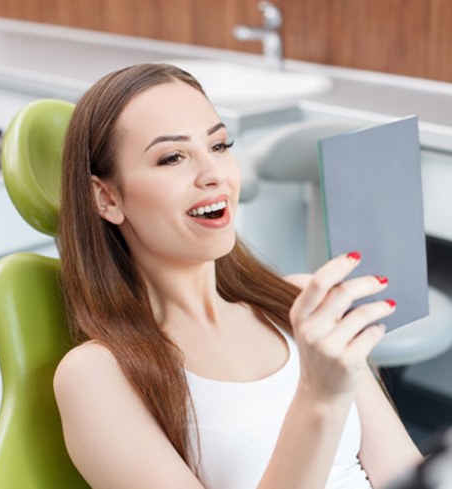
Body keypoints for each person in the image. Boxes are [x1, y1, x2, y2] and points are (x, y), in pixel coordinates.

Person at [53, 63, 422, 489]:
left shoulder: (298, 301)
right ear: (107, 197)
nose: (214, 174)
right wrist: (318, 397)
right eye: (172, 157)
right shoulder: (96, 375)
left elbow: (405, 474)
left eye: (219, 145)